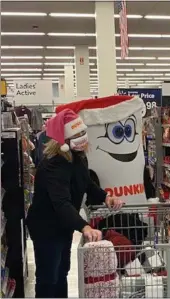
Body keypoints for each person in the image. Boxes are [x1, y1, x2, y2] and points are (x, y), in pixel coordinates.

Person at [26, 109, 124, 298]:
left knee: (62, 272)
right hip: (46, 227)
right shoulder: (54, 165)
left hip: (63, 225)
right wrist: (84, 227)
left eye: (82, 133)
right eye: (76, 135)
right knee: (49, 277)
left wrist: (106, 197)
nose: (82, 138)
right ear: (63, 141)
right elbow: (61, 202)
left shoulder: (78, 157)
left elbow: (87, 183)